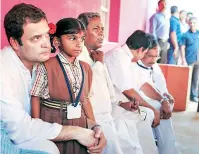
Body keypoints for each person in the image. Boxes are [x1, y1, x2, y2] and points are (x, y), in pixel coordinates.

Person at [0, 3, 106, 154]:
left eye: (46, 35)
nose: (46, 44)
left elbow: (66, 110)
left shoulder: (45, 64)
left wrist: (94, 129)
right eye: (36, 38)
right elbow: (21, 130)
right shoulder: (3, 72)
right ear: (15, 43)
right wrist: (77, 132)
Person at [30, 17, 100, 154]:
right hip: (54, 120)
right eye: (72, 38)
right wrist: (37, 129)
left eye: (82, 39)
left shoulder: (86, 68)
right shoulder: (45, 66)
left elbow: (85, 100)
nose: (79, 43)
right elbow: (35, 98)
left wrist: (94, 126)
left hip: (80, 121)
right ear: (57, 41)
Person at [78, 12, 142, 154]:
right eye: (96, 29)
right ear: (82, 33)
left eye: (102, 29)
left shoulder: (95, 55)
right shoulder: (79, 57)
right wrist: (99, 64)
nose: (101, 33)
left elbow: (103, 92)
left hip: (107, 117)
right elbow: (87, 91)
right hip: (95, 121)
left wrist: (121, 104)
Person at [104, 30, 159, 154]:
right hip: (113, 109)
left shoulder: (123, 56)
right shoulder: (118, 56)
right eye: (145, 53)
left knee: (147, 114)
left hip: (120, 105)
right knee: (147, 114)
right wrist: (152, 108)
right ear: (140, 50)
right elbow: (127, 89)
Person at [131, 34, 178, 154]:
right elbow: (142, 88)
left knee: (165, 108)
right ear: (142, 52)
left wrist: (167, 96)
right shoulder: (133, 66)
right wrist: (163, 101)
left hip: (155, 100)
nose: (153, 60)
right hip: (137, 102)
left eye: (156, 57)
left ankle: (168, 149)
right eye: (150, 56)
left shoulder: (154, 66)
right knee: (158, 108)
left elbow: (161, 85)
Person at [181, 17, 199, 103]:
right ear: (188, 24)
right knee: (188, 79)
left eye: (194, 23)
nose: (192, 24)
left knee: (196, 79)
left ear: (196, 24)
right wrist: (183, 60)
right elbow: (182, 48)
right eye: (191, 23)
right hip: (189, 60)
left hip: (198, 60)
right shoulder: (185, 35)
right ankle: (186, 96)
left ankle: (194, 96)